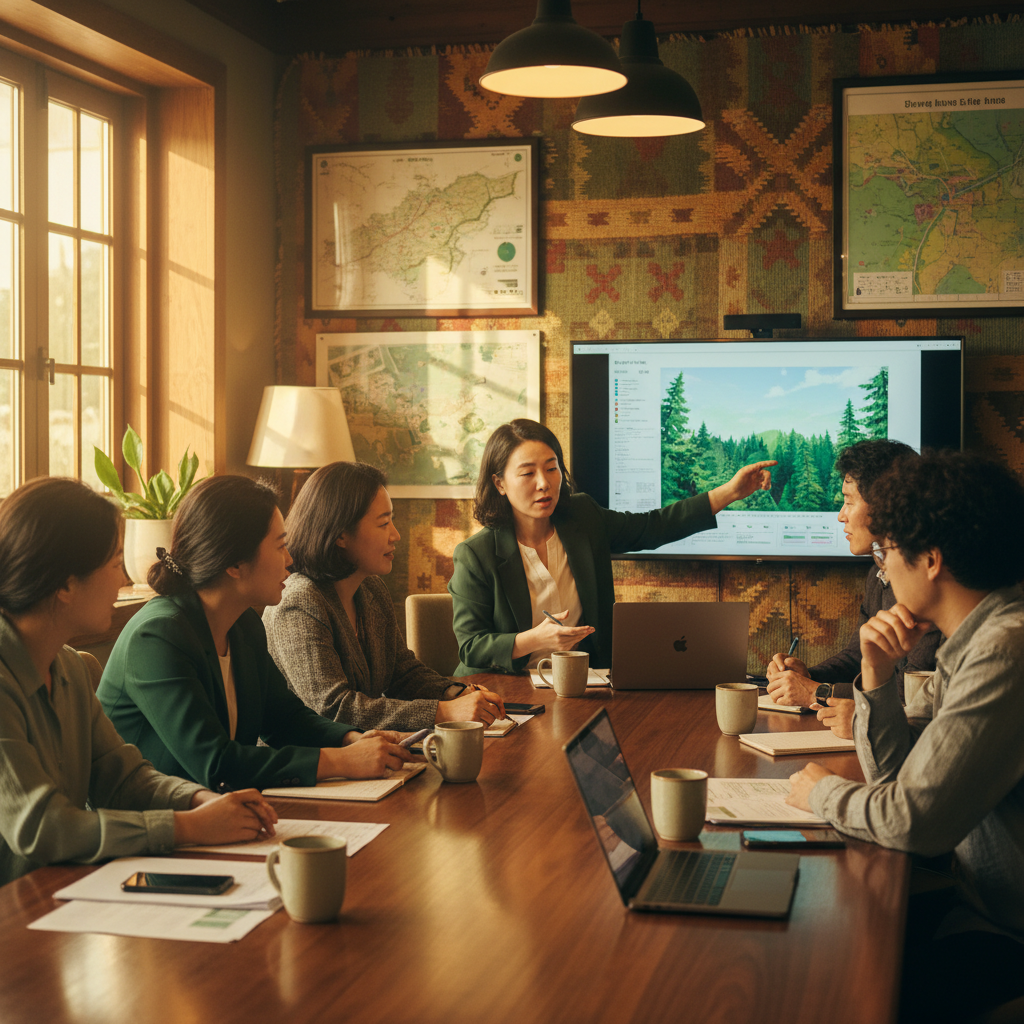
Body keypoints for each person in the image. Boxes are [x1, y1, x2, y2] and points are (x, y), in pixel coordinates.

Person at [786, 451, 1024, 1023]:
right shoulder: (975, 638)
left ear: (932, 560)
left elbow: (913, 822)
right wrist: (875, 675)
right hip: (980, 906)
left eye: (887, 551)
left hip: (1005, 930)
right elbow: (894, 784)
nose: (883, 569)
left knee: (821, 984)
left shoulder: (1004, 650)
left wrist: (818, 793)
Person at [0, 478, 278, 885]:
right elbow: (43, 828)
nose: (122, 579)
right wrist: (189, 827)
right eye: (115, 562)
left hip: (59, 896)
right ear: (65, 584)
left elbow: (124, 778)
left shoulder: (72, 669)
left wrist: (203, 801)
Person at [98, 475, 413, 792]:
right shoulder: (158, 636)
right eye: (280, 546)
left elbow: (284, 719)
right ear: (234, 563)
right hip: (152, 827)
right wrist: (343, 761)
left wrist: (351, 739)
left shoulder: (244, 625)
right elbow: (217, 763)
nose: (290, 561)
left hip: (221, 814)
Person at [448, 418, 775, 676]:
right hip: (504, 693)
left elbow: (652, 527)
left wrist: (729, 493)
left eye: (551, 468)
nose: (544, 483)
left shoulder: (583, 518)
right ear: (500, 483)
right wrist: (535, 639)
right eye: (527, 473)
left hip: (581, 686)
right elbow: (472, 647)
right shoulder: (476, 555)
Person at [263, 461, 505, 731]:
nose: (396, 535)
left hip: (364, 754)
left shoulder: (371, 589)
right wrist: (442, 711)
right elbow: (334, 708)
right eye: (383, 523)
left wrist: (454, 693)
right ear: (340, 534)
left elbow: (402, 672)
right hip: (313, 761)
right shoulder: (299, 601)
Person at [765, 440, 941, 737]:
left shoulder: (928, 586)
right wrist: (808, 677)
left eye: (848, 501)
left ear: (886, 506)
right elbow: (856, 654)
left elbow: (907, 691)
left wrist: (816, 692)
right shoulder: (877, 574)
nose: (840, 515)